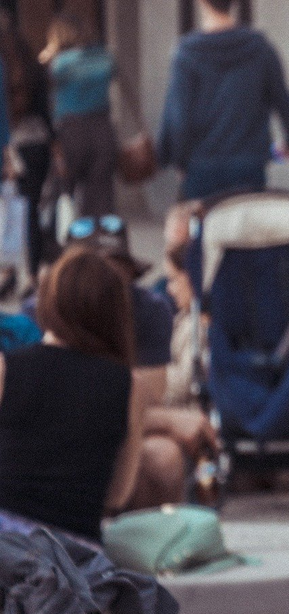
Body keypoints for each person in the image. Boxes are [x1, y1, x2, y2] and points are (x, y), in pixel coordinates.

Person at [60, 215, 218, 509]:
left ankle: (153, 545)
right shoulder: (43, 314)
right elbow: (55, 409)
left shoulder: (148, 310)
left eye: (111, 271)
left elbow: (149, 398)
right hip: (59, 440)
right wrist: (171, 420)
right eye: (89, 272)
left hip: (125, 430)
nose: (101, 283)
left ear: (128, 274)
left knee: (163, 458)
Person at [0, 247, 144, 542]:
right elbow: (118, 495)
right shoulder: (128, 384)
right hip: (75, 555)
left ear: (49, 301)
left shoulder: (6, 368)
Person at [157, 0, 289, 200]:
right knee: (246, 232)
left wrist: (175, 160)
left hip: (201, 165)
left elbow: (178, 115)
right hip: (250, 163)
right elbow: (283, 101)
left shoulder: (187, 53)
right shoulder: (259, 47)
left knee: (204, 233)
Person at [39, 14, 118, 216]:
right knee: (101, 194)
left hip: (70, 129)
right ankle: (97, 240)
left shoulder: (60, 63)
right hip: (102, 128)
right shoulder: (104, 57)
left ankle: (66, 241)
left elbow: (40, 82)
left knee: (62, 192)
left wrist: (48, 55)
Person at [0, 10, 54, 288]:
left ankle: (8, 273)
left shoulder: (4, 64)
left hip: (12, 146)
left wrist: (7, 154)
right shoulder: (29, 60)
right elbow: (46, 108)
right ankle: (33, 274)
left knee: (11, 212)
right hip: (37, 142)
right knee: (30, 210)